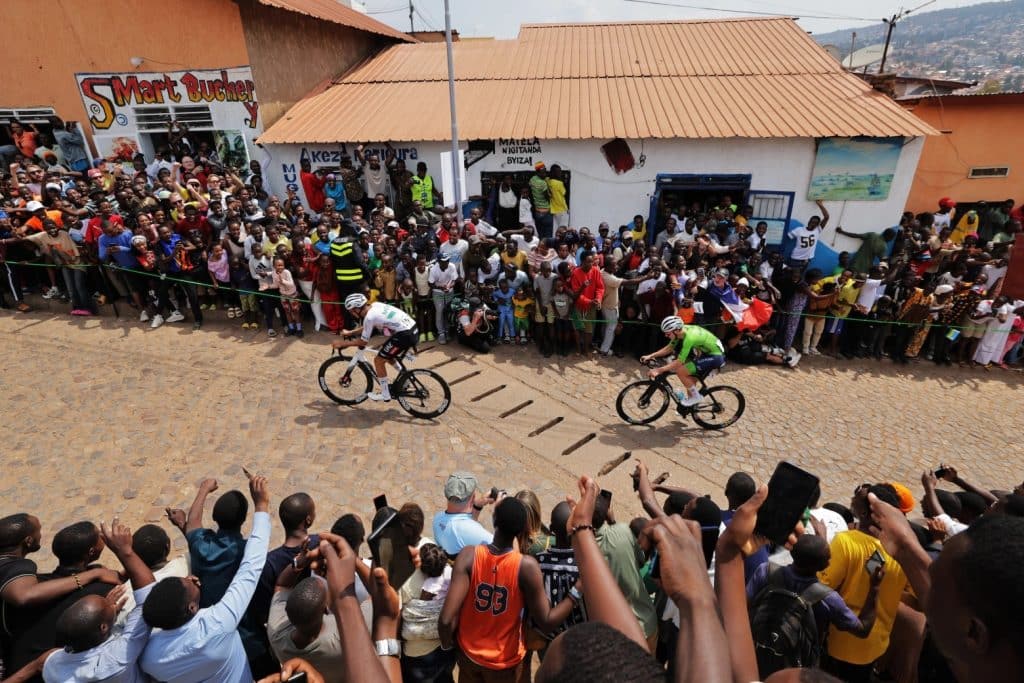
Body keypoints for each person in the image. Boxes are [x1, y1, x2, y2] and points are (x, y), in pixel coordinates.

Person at [140, 472, 271, 682]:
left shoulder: (149, 658)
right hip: (250, 638)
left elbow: (193, 523)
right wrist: (262, 504)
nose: (193, 579)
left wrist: (203, 490)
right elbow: (252, 562)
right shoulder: (219, 621)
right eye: (189, 583)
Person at [439, 497, 580, 681]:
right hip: (504, 663)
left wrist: (449, 647)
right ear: (522, 530)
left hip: (469, 656)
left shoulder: (468, 556)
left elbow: (445, 620)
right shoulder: (526, 567)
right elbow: (546, 621)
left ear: (494, 521)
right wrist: (575, 592)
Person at [817, 484, 909, 683]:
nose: (855, 496)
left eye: (859, 498)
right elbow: (915, 597)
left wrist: (821, 541)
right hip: (876, 643)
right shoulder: (903, 553)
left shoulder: (845, 542)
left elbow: (821, 586)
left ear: (866, 513)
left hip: (843, 642)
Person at [333, 293, 418, 402]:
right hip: (412, 328)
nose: (351, 314)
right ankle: (406, 378)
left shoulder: (369, 317)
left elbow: (363, 342)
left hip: (405, 334)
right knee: (385, 352)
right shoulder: (375, 305)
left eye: (351, 311)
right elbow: (368, 326)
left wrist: (343, 344)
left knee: (378, 360)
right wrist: (350, 332)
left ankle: (385, 394)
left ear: (357, 309)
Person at [640, 316, 725, 406]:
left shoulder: (689, 338)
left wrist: (659, 370)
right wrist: (651, 356)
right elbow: (669, 348)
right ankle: (691, 406)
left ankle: (696, 397)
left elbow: (679, 362)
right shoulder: (680, 331)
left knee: (681, 371)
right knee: (691, 381)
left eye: (668, 334)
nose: (666, 336)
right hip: (705, 353)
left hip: (715, 356)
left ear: (676, 331)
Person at [432, 472, 494, 557]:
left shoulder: (437, 518)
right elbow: (504, 549)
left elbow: (465, 526)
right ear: (473, 497)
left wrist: (477, 506)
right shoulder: (473, 532)